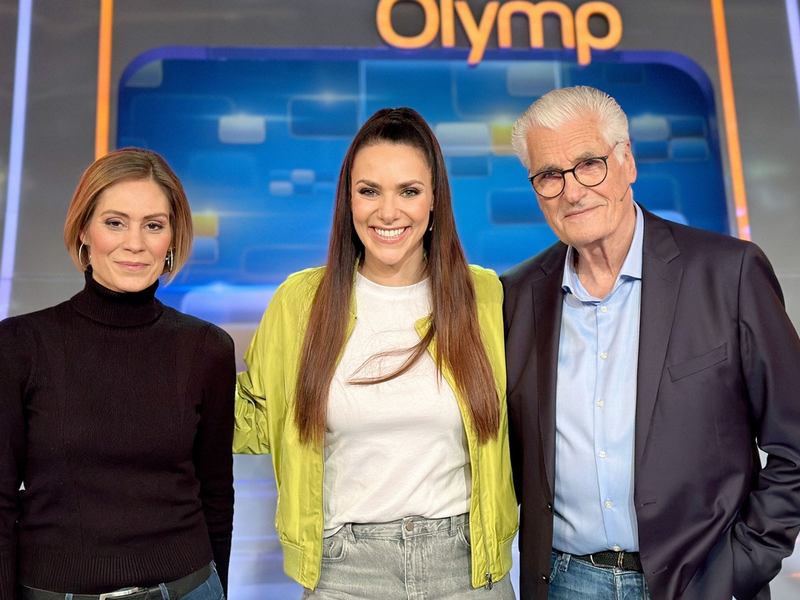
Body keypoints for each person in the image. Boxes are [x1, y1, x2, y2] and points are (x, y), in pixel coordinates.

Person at [501, 86, 800, 600]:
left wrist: (740, 566)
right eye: (549, 175)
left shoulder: (729, 273)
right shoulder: (516, 295)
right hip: (564, 583)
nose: (572, 192)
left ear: (627, 162)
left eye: (589, 164)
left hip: (699, 582)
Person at [233, 107, 518, 598]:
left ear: (435, 200)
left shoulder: (485, 297)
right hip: (344, 574)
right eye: (369, 191)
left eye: (409, 191)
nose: (388, 212)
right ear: (348, 200)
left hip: (468, 571)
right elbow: (249, 420)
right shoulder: (299, 303)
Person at [0, 148, 236, 600]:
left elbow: (216, 494)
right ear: (84, 231)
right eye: (115, 222)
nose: (135, 243)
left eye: (154, 225)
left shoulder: (208, 348)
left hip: (188, 589)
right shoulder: (20, 345)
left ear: (172, 239)